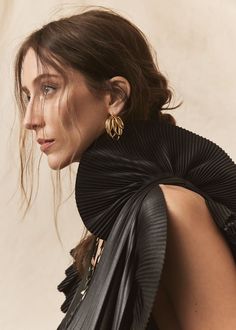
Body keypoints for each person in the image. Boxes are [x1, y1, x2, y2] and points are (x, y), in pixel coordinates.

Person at [14, 7, 236, 330]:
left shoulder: (171, 210)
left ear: (114, 96)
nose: (29, 119)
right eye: (27, 95)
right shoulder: (110, 229)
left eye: (48, 89)